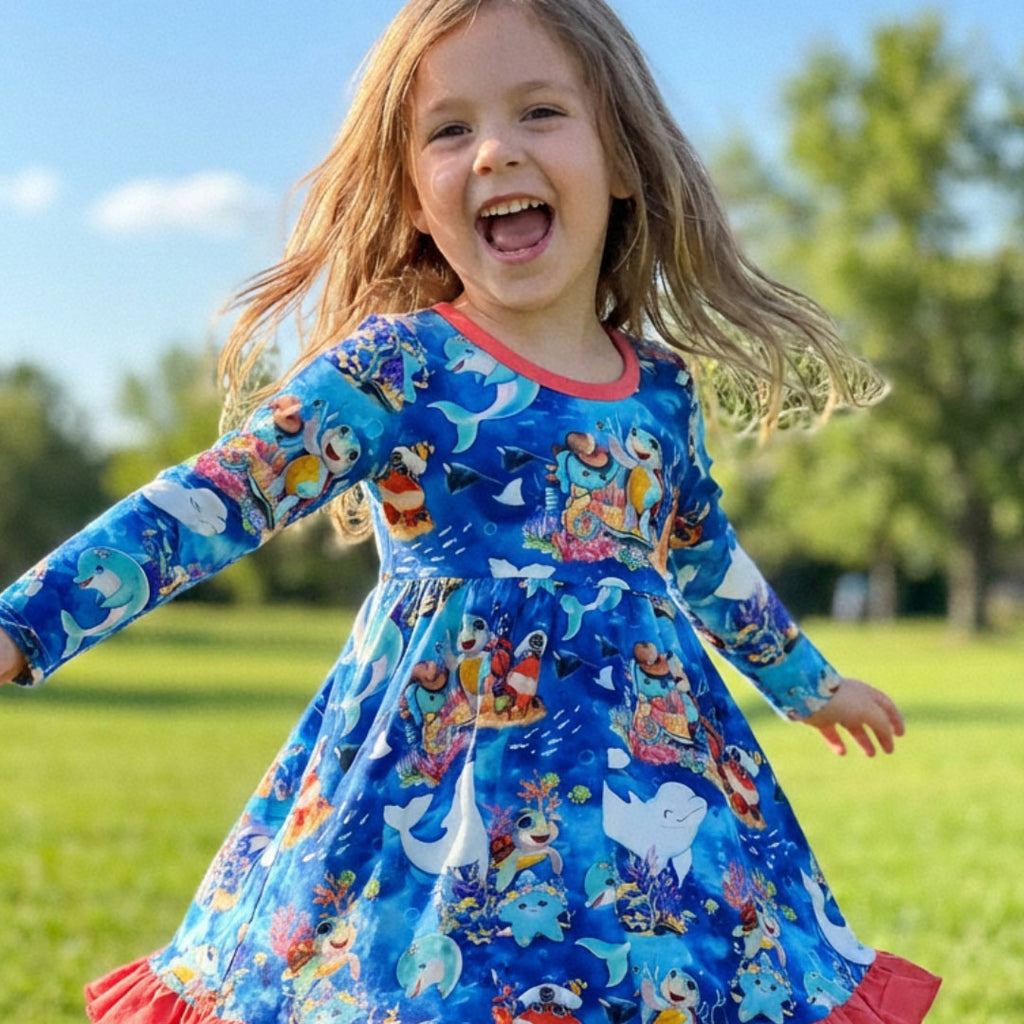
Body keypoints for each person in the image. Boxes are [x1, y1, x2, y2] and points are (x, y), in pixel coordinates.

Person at [0, 1, 941, 1021]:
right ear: (412, 197)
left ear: (622, 161)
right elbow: (209, 501)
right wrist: (22, 625)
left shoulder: (657, 391)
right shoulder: (395, 370)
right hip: (442, 804)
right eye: (450, 130)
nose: (494, 150)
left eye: (540, 112)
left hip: (641, 808)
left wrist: (807, 683)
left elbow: (703, 555)